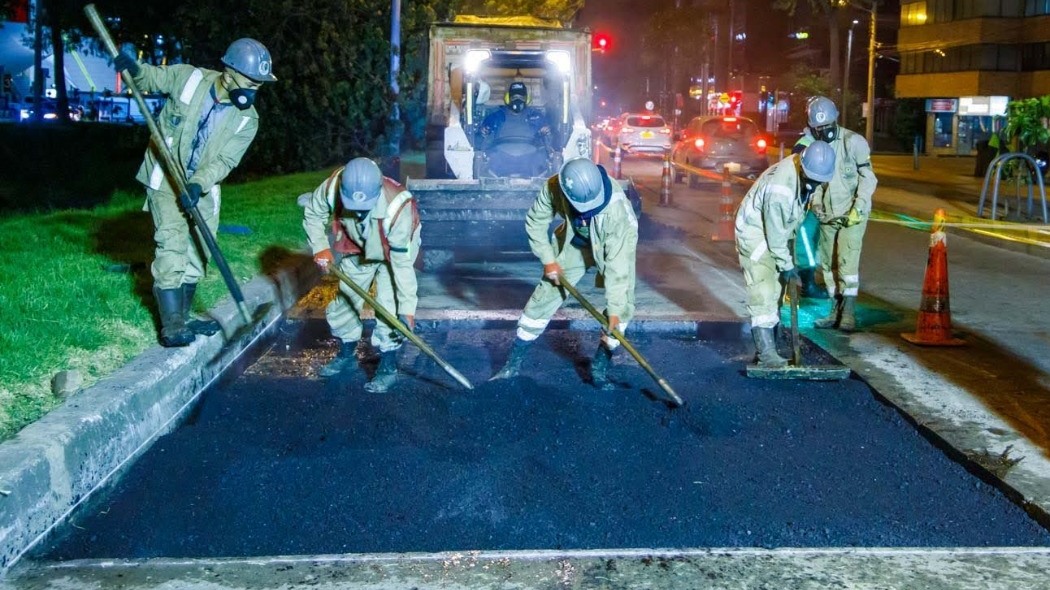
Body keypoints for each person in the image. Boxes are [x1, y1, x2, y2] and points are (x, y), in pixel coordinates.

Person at [113, 39, 276, 347]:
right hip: (165, 177)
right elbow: (150, 78)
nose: (253, 91)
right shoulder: (189, 78)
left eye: (259, 85)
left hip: (202, 185)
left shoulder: (248, 119)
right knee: (171, 243)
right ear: (229, 74)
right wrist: (133, 68)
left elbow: (226, 160)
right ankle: (172, 325)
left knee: (199, 250)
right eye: (250, 83)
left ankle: (185, 316)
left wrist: (199, 184)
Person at [491, 158, 638, 389]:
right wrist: (549, 261)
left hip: (614, 245)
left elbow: (618, 268)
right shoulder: (554, 187)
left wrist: (616, 311)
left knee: (622, 306)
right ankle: (512, 365)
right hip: (576, 244)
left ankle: (599, 371)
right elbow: (535, 221)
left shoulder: (618, 214)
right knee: (546, 295)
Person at [302, 157, 421, 393]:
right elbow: (313, 215)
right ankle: (346, 353)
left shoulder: (398, 209)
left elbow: (402, 266)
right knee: (343, 302)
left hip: (393, 252)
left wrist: (407, 309)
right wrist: (320, 246)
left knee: (390, 309)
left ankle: (388, 366)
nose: (357, 213)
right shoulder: (331, 188)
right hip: (356, 245)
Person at [735, 141, 836, 368]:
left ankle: (769, 346)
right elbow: (775, 233)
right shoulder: (781, 189)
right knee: (763, 291)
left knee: (778, 292)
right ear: (804, 167)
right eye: (813, 180)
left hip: (777, 232)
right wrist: (788, 266)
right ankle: (766, 354)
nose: (815, 184)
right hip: (757, 235)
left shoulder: (806, 169)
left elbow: (785, 226)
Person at [803, 97, 879, 332]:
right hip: (827, 215)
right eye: (819, 129)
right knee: (827, 265)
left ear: (835, 120)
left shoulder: (853, 142)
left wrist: (859, 207)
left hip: (851, 216)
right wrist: (815, 203)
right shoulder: (816, 146)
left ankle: (848, 313)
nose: (824, 133)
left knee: (847, 264)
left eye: (827, 128)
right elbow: (816, 180)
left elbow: (869, 179)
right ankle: (834, 310)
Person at [478, 81, 552, 177]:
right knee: (490, 157)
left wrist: (547, 131)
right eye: (514, 97)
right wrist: (483, 131)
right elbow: (482, 136)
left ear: (527, 99)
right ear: (508, 98)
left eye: (521, 97)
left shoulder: (536, 115)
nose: (518, 100)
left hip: (531, 157)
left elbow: (548, 136)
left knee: (542, 157)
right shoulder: (496, 116)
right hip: (500, 156)